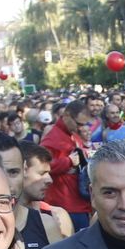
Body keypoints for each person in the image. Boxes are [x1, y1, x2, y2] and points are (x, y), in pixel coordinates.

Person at [42, 99, 94, 230]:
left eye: (84, 124)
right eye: (78, 124)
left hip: (78, 202)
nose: (81, 128)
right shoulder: (53, 137)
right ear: (66, 116)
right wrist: (68, 162)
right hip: (65, 204)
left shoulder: (72, 135)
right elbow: (42, 164)